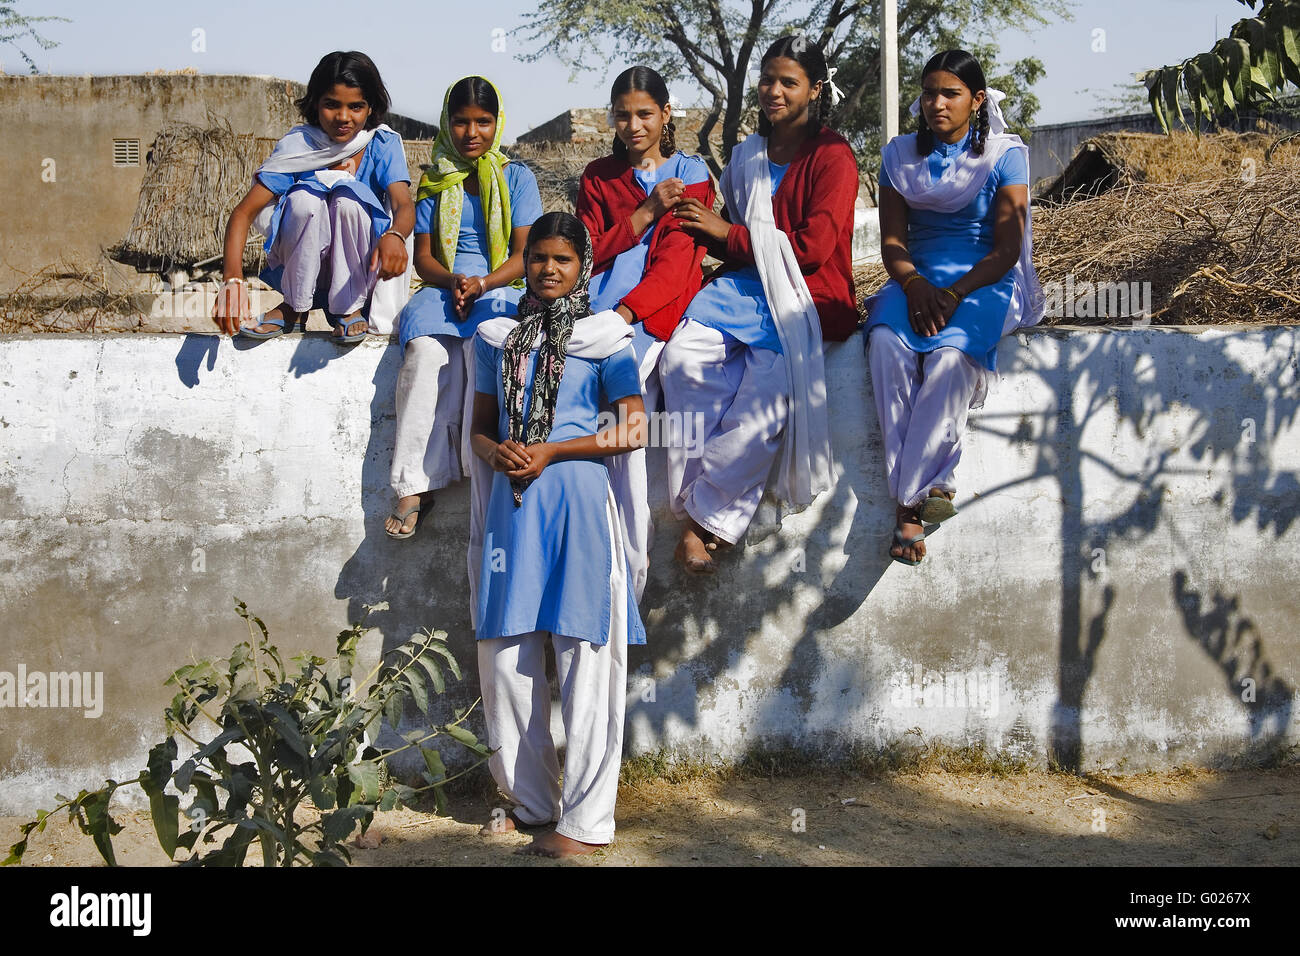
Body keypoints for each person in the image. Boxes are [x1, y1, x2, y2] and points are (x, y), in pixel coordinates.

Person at [467, 212, 648, 858]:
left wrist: (552, 449)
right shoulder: (498, 339)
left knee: (586, 659)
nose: (548, 269)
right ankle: (533, 802)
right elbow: (479, 427)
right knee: (506, 656)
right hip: (513, 514)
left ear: (584, 267)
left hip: (578, 509)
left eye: (562, 260)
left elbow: (631, 431)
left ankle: (588, 823)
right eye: (538, 257)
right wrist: (498, 455)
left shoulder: (605, 341)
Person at [659, 34, 859, 573]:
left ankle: (702, 524)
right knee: (679, 361)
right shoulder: (748, 153)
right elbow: (725, 229)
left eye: (788, 82)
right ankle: (698, 501)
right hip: (745, 288)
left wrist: (729, 233)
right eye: (768, 79)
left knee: (762, 402)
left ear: (815, 89)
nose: (774, 91)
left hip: (803, 295)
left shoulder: (834, 156)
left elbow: (814, 249)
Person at [865, 49, 1044, 566]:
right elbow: (893, 242)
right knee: (883, 346)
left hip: (981, 281)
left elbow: (1007, 250)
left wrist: (952, 294)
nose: (936, 103)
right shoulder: (898, 155)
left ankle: (908, 506)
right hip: (914, 279)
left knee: (947, 360)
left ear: (977, 99)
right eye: (928, 93)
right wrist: (916, 285)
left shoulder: (1006, 155)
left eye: (950, 93)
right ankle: (933, 486)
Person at [576, 65, 716, 593]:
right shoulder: (598, 176)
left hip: (648, 321)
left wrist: (625, 319)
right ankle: (594, 559)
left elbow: (678, 263)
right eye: (622, 115)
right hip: (594, 315)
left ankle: (629, 573)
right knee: (593, 434)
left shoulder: (692, 173)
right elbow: (585, 256)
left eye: (644, 114)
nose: (632, 126)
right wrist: (644, 211)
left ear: (665, 115)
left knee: (621, 433)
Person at [384, 76, 541, 539]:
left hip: (500, 286)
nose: (472, 133)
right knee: (424, 355)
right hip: (444, 286)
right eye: (461, 122)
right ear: (447, 124)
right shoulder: (435, 178)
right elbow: (424, 257)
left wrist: (483, 282)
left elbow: (525, 256)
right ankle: (413, 484)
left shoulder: (517, 178)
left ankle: (480, 470)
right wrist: (454, 280)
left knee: (482, 353)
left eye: (483, 122)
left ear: (498, 123)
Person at [213, 50, 413, 344]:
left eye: (356, 106)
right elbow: (243, 213)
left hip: (361, 273)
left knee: (348, 196)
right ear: (316, 104)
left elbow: (403, 204)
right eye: (332, 105)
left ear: (371, 108)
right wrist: (232, 281)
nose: (344, 117)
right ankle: (294, 309)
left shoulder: (381, 143)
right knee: (305, 198)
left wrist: (395, 235)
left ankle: (348, 308)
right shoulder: (300, 146)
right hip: (305, 269)